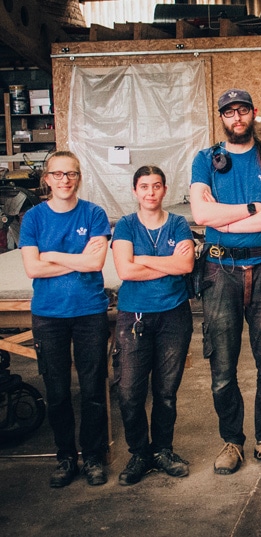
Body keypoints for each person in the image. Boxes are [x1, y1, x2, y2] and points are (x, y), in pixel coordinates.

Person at [190, 88, 261, 475]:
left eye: (243, 110)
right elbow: (201, 214)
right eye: (229, 112)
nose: (237, 118)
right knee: (222, 368)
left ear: (254, 113)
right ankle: (232, 441)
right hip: (220, 272)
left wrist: (225, 220)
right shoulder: (205, 159)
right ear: (221, 118)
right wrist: (252, 208)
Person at [20, 151, 111, 488]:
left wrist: (53, 255)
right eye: (57, 174)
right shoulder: (33, 219)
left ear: (78, 178)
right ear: (47, 179)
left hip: (89, 312)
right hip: (49, 314)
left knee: (92, 389)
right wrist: (78, 258)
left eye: (71, 174)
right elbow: (32, 268)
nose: (64, 180)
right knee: (57, 391)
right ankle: (65, 457)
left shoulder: (94, 213)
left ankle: (93, 457)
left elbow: (95, 264)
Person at [111, 165, 195, 486]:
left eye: (156, 186)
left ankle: (162, 450)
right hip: (134, 316)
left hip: (174, 315)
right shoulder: (126, 226)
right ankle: (139, 453)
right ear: (135, 191)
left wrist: (142, 259)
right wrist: (168, 264)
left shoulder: (177, 223)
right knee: (130, 390)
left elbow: (185, 265)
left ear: (164, 190)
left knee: (166, 391)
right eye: (144, 186)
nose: (150, 192)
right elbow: (125, 271)